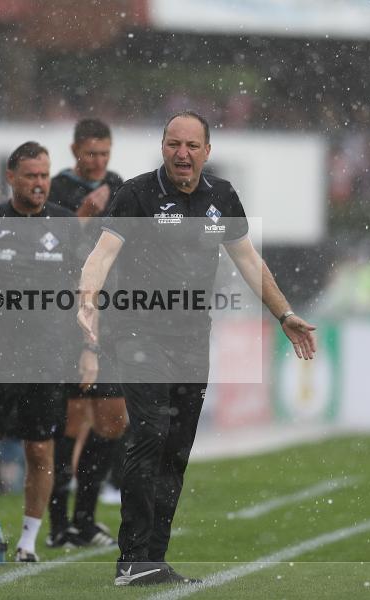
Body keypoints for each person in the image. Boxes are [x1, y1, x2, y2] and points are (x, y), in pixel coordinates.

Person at [77, 111, 317, 586]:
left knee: (176, 448)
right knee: (148, 434)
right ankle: (131, 559)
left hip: (191, 338)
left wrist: (284, 314)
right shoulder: (138, 194)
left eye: (191, 146)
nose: (181, 154)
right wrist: (87, 302)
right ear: (162, 148)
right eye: (172, 144)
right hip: (139, 333)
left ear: (207, 152)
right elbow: (102, 254)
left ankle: (153, 556)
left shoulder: (221, 197)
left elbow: (249, 261)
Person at [0, 141, 84, 563]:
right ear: (11, 178)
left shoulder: (65, 224)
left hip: (48, 355)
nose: (40, 183)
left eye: (45, 175)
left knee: (40, 450)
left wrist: (89, 349)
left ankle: (28, 541)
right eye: (31, 175)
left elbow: (87, 294)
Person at [46, 118, 127, 548]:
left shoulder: (118, 184)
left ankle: (86, 515)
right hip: (65, 315)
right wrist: (81, 217)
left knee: (113, 418)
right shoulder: (56, 189)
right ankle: (60, 524)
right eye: (91, 153)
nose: (98, 162)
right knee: (72, 420)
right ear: (75, 149)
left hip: (109, 316)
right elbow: (46, 249)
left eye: (104, 153)